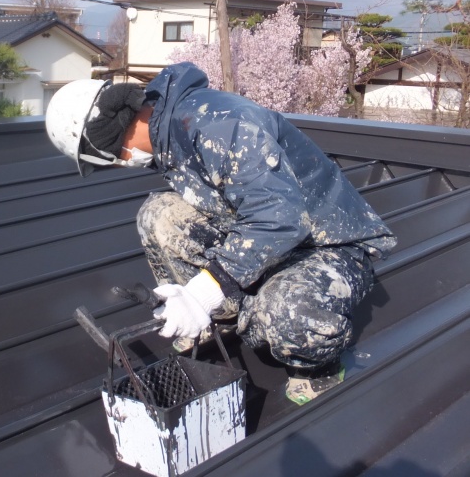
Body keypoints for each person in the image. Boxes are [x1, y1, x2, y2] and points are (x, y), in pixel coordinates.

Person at [45, 62, 396, 405]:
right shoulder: (168, 130)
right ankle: (223, 315)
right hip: (267, 232)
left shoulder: (219, 124)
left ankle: (318, 367)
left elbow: (281, 219)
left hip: (324, 244)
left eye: (103, 159)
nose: (118, 163)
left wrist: (202, 291)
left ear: (105, 145)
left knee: (288, 317)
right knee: (159, 215)